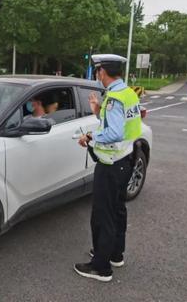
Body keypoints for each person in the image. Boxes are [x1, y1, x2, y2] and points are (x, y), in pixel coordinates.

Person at [74, 54, 143, 282]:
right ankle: (114, 254)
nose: (97, 75)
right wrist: (97, 111)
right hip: (125, 160)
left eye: (97, 71)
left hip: (111, 165)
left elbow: (113, 132)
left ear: (102, 72)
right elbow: (123, 123)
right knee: (117, 210)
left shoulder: (114, 98)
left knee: (103, 215)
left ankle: (100, 267)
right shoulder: (129, 93)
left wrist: (89, 137)